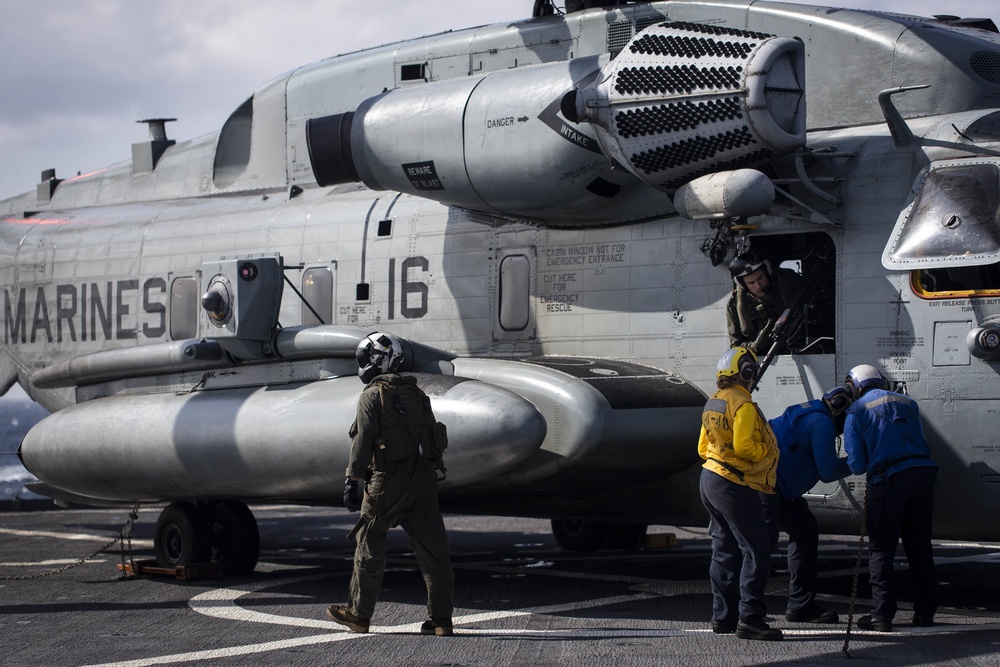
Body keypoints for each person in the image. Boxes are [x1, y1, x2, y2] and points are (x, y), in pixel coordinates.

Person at [325, 332, 455, 636]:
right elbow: (432, 439)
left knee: (369, 547)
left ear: (374, 361)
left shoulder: (372, 396)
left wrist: (352, 479)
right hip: (423, 481)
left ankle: (358, 614)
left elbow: (363, 439)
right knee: (434, 553)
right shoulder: (419, 395)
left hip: (386, 483)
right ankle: (441, 620)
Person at [842, 364, 938, 633]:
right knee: (919, 547)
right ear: (881, 382)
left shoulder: (856, 411)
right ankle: (925, 614)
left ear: (854, 387)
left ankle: (881, 616)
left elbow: (858, 464)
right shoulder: (908, 403)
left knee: (881, 549)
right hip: (923, 475)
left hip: (889, 480)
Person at [698, 347, 783, 641]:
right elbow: (746, 447)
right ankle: (752, 619)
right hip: (734, 485)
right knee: (757, 550)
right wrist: (767, 450)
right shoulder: (743, 405)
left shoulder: (714, 402)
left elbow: (701, 447)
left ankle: (723, 618)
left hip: (710, 479)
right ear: (748, 373)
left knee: (724, 550)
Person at [768, 386, 854, 624]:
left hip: (777, 485)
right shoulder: (822, 423)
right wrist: (859, 461)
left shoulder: (809, 412)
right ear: (839, 407)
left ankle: (800, 605)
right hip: (773, 487)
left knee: (803, 531)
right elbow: (827, 471)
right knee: (760, 547)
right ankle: (747, 612)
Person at [726, 251, 803, 355]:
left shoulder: (791, 282)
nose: (758, 286)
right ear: (743, 285)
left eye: (760, 278)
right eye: (751, 283)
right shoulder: (734, 306)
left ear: (768, 271)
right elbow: (736, 347)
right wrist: (755, 346)